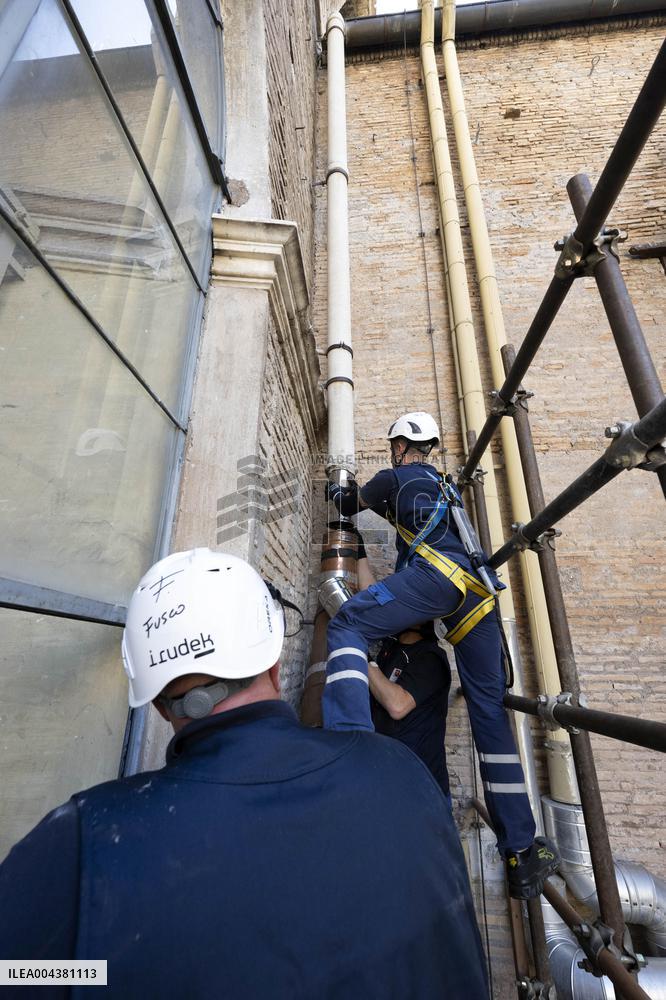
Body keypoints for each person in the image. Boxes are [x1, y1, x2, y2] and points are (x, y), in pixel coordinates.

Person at [0, 547, 490, 1000]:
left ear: (153, 700)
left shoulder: (83, 845)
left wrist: (101, 966)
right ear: (274, 662)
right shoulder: (402, 776)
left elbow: (20, 972)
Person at [324, 411, 559, 899]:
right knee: (489, 716)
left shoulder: (394, 477)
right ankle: (521, 851)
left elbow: (348, 501)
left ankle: (346, 747)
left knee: (347, 623)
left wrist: (340, 492)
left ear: (398, 446)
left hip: (438, 578)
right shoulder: (447, 489)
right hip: (478, 598)